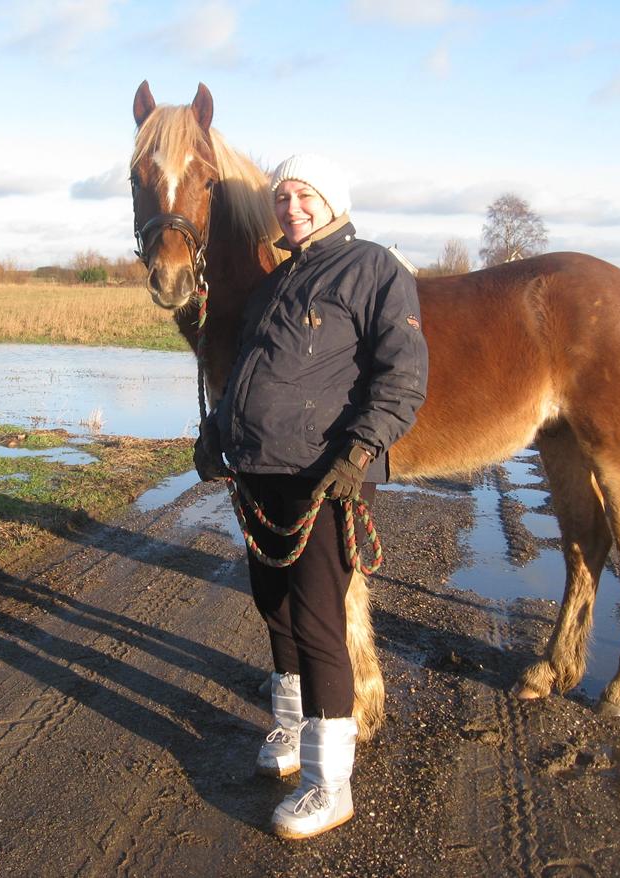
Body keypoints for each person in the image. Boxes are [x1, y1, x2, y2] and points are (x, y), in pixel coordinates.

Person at [194, 153, 428, 839]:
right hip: (261, 472)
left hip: (323, 477)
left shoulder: (375, 270)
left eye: (305, 195)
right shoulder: (278, 281)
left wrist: (360, 449)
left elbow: (403, 376)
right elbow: (248, 373)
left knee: (319, 622)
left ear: (332, 201)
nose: (292, 206)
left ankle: (332, 786)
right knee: (273, 607)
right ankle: (290, 727)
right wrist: (216, 430)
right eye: (283, 196)